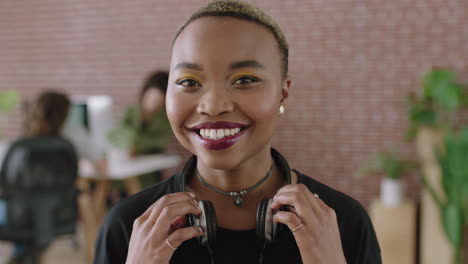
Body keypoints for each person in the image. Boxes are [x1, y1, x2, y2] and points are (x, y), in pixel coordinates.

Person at [94, 1, 382, 264]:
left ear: (283, 93)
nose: (213, 106)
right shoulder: (127, 225)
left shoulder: (345, 223)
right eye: (189, 81)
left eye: (244, 79)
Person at [1, 90, 76, 264]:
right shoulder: (68, 143)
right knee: (37, 217)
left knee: (22, 212)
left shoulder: (20, 148)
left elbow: (6, 183)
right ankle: (28, 255)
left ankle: (22, 256)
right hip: (57, 214)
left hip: (17, 214)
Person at [108, 71, 173, 157]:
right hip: (127, 158)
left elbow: (162, 141)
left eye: (157, 101)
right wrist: (128, 144)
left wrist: (136, 144)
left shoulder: (165, 119)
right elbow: (115, 133)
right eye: (150, 98)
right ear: (145, 94)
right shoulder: (131, 111)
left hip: (151, 161)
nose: (152, 104)